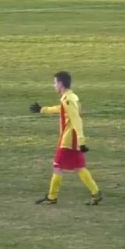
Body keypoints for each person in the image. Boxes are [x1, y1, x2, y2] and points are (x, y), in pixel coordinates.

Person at [32, 71, 101, 205]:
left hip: (69, 140)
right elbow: (61, 109)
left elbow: (76, 119)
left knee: (57, 166)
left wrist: (81, 141)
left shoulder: (69, 100)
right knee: (79, 167)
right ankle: (96, 193)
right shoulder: (70, 97)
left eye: (55, 83)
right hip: (73, 139)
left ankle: (52, 197)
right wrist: (43, 109)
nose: (54, 86)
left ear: (61, 84)